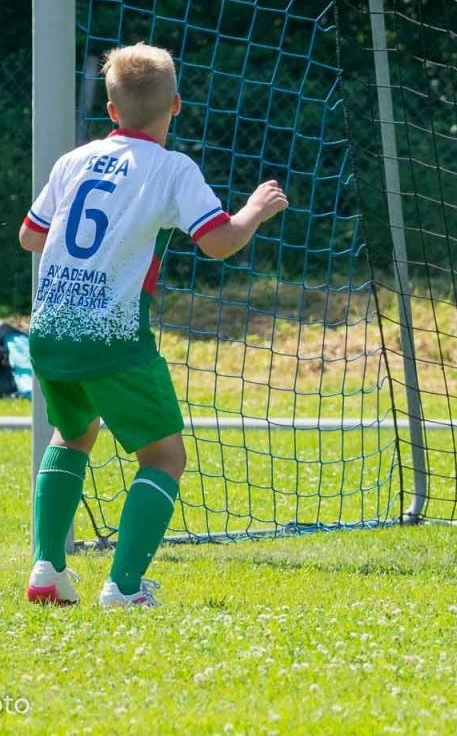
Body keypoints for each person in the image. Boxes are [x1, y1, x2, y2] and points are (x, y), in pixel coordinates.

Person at [20, 43, 287, 607]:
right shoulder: (171, 168)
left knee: (72, 433)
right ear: (177, 106)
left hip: (48, 329)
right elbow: (217, 241)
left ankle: (47, 569)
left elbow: (30, 236)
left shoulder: (75, 160)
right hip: (113, 336)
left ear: (112, 111)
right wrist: (255, 211)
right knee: (164, 457)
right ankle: (123, 587)